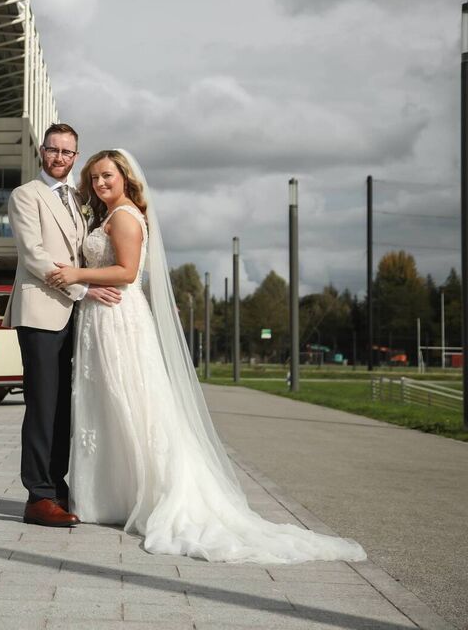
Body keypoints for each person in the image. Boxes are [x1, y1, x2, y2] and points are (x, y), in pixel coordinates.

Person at [46, 149, 365, 563]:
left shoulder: (124, 217)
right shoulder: (109, 215)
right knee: (107, 403)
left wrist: (76, 274)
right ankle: (110, 495)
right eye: (94, 178)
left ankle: (134, 494)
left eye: (107, 175)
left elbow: (126, 273)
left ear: (125, 177)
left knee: (128, 401)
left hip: (118, 319)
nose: (100, 183)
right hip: (103, 319)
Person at [4, 123, 122, 528]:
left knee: (67, 406)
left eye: (67, 153)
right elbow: (34, 257)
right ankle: (38, 495)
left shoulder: (78, 198)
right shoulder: (25, 195)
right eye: (53, 150)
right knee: (43, 404)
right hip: (41, 312)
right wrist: (83, 289)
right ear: (42, 151)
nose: (59, 158)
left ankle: (58, 485)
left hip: (79, 317)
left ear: (75, 156)